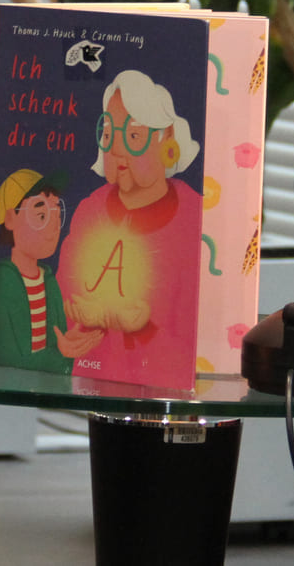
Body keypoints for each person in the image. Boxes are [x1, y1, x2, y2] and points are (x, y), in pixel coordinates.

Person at [55, 69, 203, 384]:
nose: (117, 149)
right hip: (92, 389)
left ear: (168, 143)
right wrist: (73, 330)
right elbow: (64, 298)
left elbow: (199, 340)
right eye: (109, 134)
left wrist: (142, 328)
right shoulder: (90, 210)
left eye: (133, 136)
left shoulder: (195, 220)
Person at [0, 168, 102, 372]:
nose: (53, 226)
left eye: (56, 213)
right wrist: (61, 353)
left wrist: (66, 345)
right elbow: (6, 359)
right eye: (41, 215)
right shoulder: (2, 282)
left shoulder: (48, 280)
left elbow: (57, 351)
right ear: (11, 219)